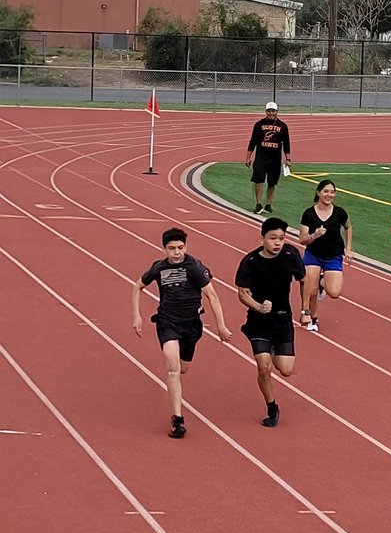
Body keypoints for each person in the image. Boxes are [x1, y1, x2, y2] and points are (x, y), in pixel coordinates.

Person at [132, 227, 232, 438]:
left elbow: (212, 296)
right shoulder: (158, 268)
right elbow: (137, 286)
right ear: (164, 249)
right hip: (167, 322)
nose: (176, 252)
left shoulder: (194, 267)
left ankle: (178, 377)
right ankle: (178, 420)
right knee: (172, 369)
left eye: (180, 248)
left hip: (192, 325)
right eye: (171, 249)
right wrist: (137, 315)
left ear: (186, 247)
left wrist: (221, 326)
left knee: (183, 368)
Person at [235, 217, 306, 427]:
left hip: (283, 319)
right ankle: (272, 406)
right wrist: (258, 306)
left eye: (281, 238)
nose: (278, 243)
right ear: (262, 239)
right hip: (259, 322)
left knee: (285, 369)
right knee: (264, 368)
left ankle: (275, 351)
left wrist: (306, 310)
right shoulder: (250, 262)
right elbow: (242, 294)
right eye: (273, 238)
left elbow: (304, 280)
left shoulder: (290, 255)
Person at [298, 179, 352, 332]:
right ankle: (310, 316)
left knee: (334, 293)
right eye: (326, 191)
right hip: (313, 255)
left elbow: (348, 227)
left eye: (332, 192)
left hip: (333, 256)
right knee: (310, 290)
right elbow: (302, 239)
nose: (329, 195)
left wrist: (348, 248)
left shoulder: (340, 213)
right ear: (318, 193)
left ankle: (323, 282)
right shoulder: (308, 214)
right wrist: (314, 235)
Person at [245, 102, 291, 214]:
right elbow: (253, 141)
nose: (271, 113)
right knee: (259, 180)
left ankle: (268, 204)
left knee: (272, 182)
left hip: (275, 159)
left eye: (273, 111)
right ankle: (258, 203)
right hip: (261, 157)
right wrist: (248, 157)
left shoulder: (283, 126)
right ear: (266, 112)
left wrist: (288, 159)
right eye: (269, 111)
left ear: (277, 112)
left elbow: (286, 143)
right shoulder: (259, 125)